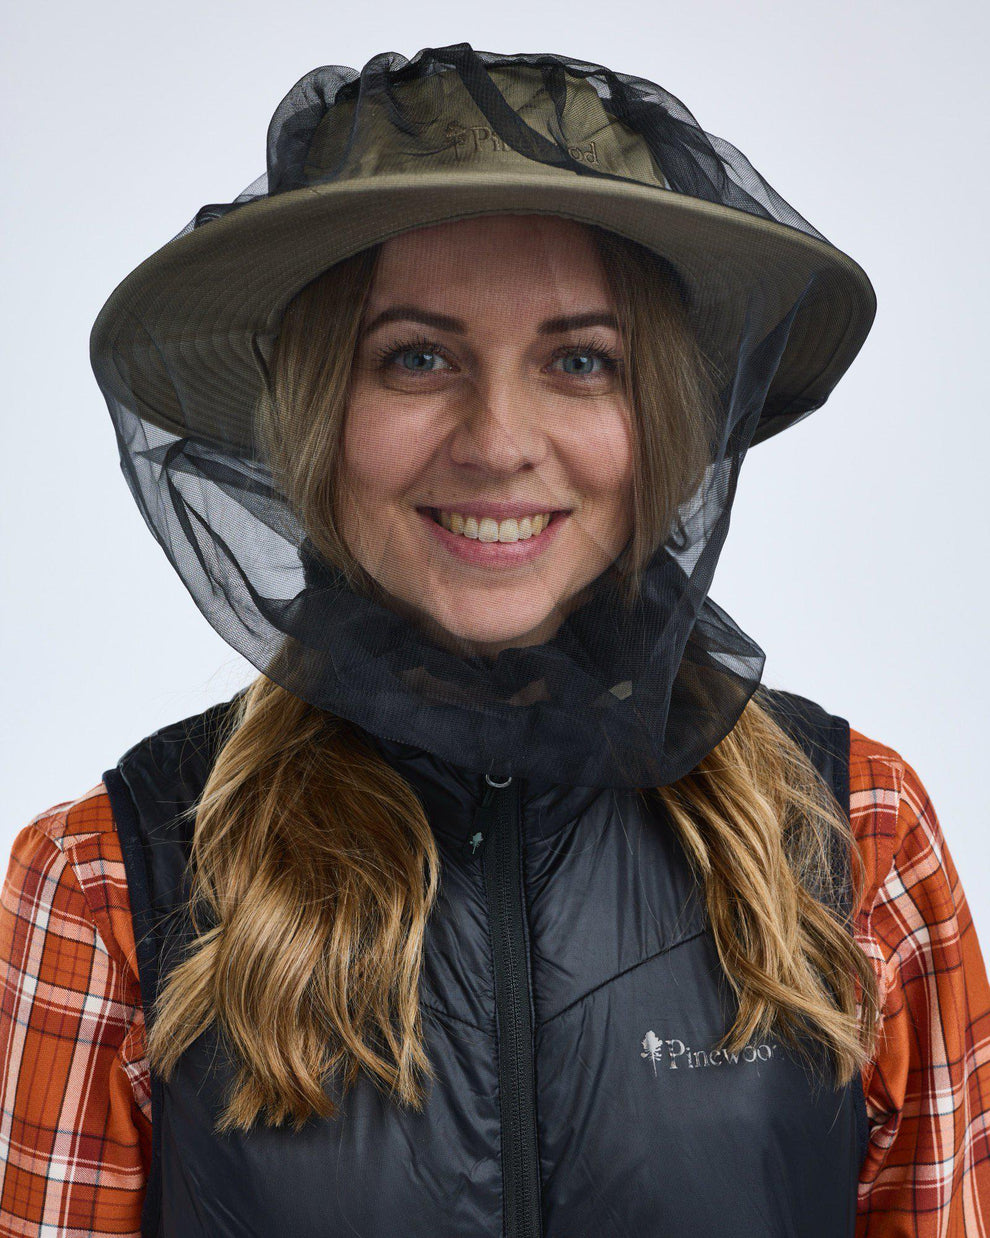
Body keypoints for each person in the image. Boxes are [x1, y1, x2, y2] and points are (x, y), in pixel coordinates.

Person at [2, 42, 988, 1238]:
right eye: (417, 357)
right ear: (319, 410)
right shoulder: (107, 885)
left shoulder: (862, 841)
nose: (499, 440)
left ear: (662, 418)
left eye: (580, 360)